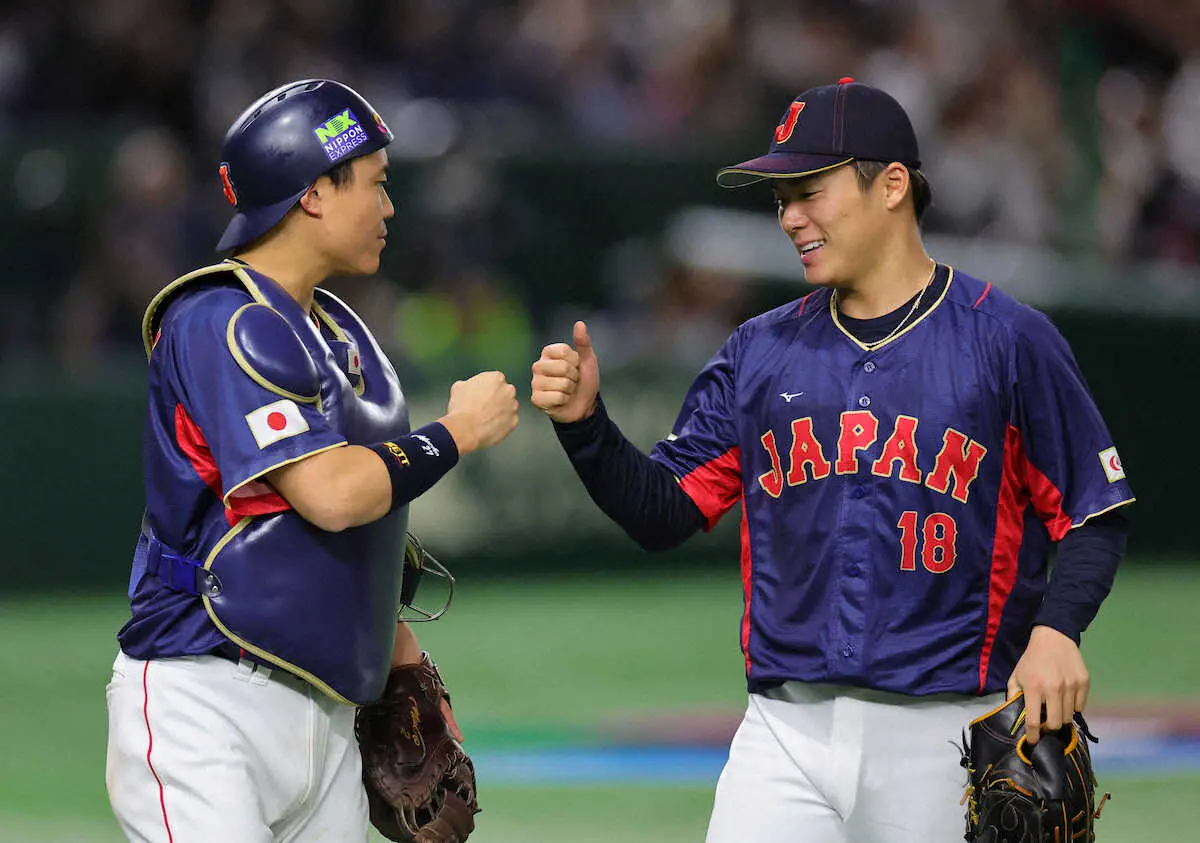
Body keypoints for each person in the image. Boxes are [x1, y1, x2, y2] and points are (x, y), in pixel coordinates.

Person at [530, 77, 1134, 843]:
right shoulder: (759, 351)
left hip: (946, 727)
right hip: (784, 732)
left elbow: (1093, 508)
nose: (789, 217)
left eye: (808, 190)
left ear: (890, 185)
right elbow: (663, 511)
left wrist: (1058, 631)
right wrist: (587, 426)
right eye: (780, 198)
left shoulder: (1007, 340)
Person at [104, 79, 519, 842]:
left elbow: (348, 532)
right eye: (376, 184)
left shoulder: (337, 333)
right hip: (207, 703)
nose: (390, 207)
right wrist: (456, 431)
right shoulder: (219, 320)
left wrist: (396, 650)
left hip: (326, 715)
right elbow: (330, 494)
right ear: (315, 192)